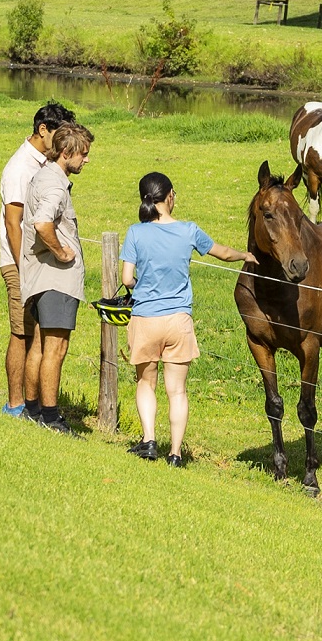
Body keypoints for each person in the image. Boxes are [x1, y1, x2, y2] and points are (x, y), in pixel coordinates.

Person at [119, 171, 247, 466]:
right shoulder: (188, 230)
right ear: (171, 195)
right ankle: (175, 454)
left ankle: (148, 440)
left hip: (146, 318)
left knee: (145, 383)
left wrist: (140, 285)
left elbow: (127, 278)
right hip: (179, 321)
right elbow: (223, 253)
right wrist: (246, 255)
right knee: (177, 390)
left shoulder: (135, 232)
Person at [0, 101, 76, 417]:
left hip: (39, 266)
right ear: (43, 130)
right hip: (21, 263)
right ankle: (16, 404)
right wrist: (22, 267)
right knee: (21, 332)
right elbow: (12, 222)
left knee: (40, 333)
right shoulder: (20, 168)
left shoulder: (45, 163)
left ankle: (36, 405)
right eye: (59, 135)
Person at [18, 121, 94, 431]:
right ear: (66, 152)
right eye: (83, 154)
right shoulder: (54, 185)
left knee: (39, 343)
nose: (86, 160)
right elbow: (42, 223)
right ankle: (50, 417)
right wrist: (62, 252)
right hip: (55, 280)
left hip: (40, 278)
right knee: (55, 348)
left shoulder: (44, 176)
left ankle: (33, 410)